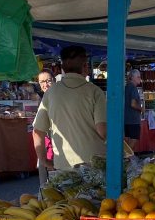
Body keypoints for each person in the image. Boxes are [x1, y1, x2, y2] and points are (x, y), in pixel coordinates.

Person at [33, 46, 107, 184]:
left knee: (69, 204)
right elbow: (103, 131)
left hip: (63, 166)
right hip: (94, 165)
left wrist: (43, 160)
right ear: (85, 66)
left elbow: (38, 131)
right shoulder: (95, 91)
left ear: (62, 68)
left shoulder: (51, 93)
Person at [36, 70, 55, 167]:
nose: (45, 85)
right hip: (49, 141)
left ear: (54, 81)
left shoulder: (57, 98)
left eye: (48, 81)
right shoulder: (44, 99)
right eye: (42, 82)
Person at [124, 69, 143, 150]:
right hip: (133, 119)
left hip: (126, 119)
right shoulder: (133, 88)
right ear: (132, 78)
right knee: (134, 139)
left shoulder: (126, 87)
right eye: (138, 77)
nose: (140, 79)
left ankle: (126, 158)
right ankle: (127, 157)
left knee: (127, 140)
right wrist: (141, 109)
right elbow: (133, 104)